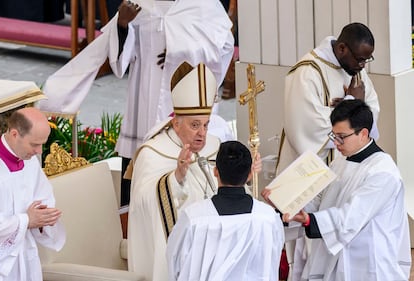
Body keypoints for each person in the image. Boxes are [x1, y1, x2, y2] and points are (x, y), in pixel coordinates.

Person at [38, 0, 234, 207]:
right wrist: (122, 24)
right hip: (144, 104)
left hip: (186, 99)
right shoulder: (142, 4)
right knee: (137, 181)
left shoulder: (204, 5)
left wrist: (181, 54)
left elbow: (224, 46)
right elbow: (119, 57)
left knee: (186, 183)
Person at [127, 62, 260, 281]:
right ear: (176, 124)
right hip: (179, 251)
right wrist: (176, 178)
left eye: (206, 125)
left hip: (217, 248)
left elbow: (230, 190)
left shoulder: (215, 146)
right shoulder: (152, 152)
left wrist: (246, 174)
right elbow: (142, 202)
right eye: (194, 125)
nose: (202, 134)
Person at [275, 22, 380, 280]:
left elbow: (371, 115)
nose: (363, 66)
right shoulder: (306, 73)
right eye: (360, 59)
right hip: (312, 173)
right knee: (308, 254)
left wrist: (354, 105)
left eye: (368, 60)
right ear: (342, 48)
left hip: (346, 173)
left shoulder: (355, 69)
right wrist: (352, 104)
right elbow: (306, 128)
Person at [269, 99, 411, 280]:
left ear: (363, 133)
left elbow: (352, 216)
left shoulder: (382, 172)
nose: (335, 143)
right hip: (337, 258)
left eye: (341, 136)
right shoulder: (340, 162)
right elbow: (320, 199)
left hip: (369, 264)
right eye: (333, 135)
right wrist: (286, 207)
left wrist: (310, 220)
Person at [166, 140, 284, 281]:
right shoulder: (268, 217)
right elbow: (273, 259)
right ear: (250, 175)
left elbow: (174, 260)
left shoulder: (194, 217)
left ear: (216, 171)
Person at [0, 107, 66, 281]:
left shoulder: (30, 162)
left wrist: (44, 218)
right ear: (15, 134)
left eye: (42, 144)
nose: (39, 152)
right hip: (0, 265)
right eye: (34, 144)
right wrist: (27, 220)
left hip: (27, 256)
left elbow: (44, 199)